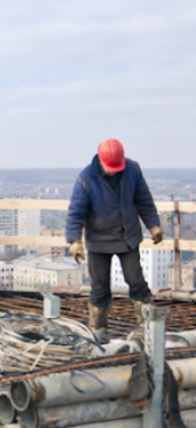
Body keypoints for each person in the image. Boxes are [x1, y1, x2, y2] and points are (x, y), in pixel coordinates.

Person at [66, 138, 163, 342]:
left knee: (136, 281)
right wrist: (74, 240)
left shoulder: (133, 170)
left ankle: (147, 326)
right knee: (100, 287)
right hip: (99, 241)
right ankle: (98, 330)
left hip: (127, 237)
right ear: (100, 160)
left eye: (116, 167)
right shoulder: (86, 178)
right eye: (110, 168)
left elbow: (144, 199)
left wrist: (153, 225)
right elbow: (76, 212)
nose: (113, 171)